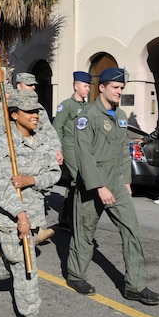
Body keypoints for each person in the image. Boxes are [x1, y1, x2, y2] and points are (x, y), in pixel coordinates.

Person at [66, 68, 159, 305]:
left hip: (116, 182)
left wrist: (126, 180)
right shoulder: (87, 116)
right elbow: (84, 155)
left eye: (122, 88)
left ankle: (135, 286)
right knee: (85, 232)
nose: (120, 92)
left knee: (132, 229)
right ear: (102, 88)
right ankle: (75, 275)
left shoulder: (120, 115)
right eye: (116, 88)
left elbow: (123, 150)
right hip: (92, 183)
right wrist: (99, 186)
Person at [0, 89, 61, 317]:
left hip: (35, 213)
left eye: (37, 111)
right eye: (30, 112)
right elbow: (2, 188)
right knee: (26, 265)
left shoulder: (42, 141)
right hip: (11, 216)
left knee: (15, 260)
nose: (36, 116)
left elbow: (55, 173)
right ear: (14, 115)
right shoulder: (5, 145)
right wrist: (21, 215)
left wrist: (32, 180)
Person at [14, 73, 61, 244]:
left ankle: (36, 228)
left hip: (34, 157)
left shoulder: (39, 108)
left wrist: (57, 149)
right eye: (29, 85)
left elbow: (48, 131)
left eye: (34, 85)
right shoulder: (7, 106)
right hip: (16, 159)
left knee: (36, 192)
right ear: (19, 86)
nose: (33, 87)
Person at [53, 71, 91, 225]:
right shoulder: (66, 105)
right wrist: (58, 149)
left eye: (88, 86)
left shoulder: (88, 106)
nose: (87, 89)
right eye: (85, 86)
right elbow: (57, 127)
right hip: (69, 146)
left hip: (83, 147)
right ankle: (78, 216)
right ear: (76, 86)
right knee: (80, 179)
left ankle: (66, 216)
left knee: (73, 183)